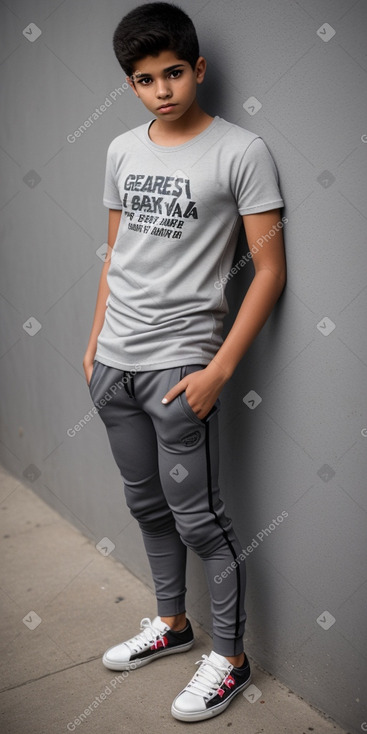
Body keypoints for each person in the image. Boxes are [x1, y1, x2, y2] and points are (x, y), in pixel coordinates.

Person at [83, 1, 286, 723]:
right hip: (113, 364)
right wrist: (92, 342)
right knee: (146, 507)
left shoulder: (240, 150)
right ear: (130, 85)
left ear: (197, 69)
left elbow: (267, 271)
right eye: (144, 79)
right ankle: (171, 625)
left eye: (173, 73)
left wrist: (220, 368)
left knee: (199, 518)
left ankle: (229, 660)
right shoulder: (119, 150)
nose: (161, 90)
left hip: (179, 366)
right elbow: (116, 252)